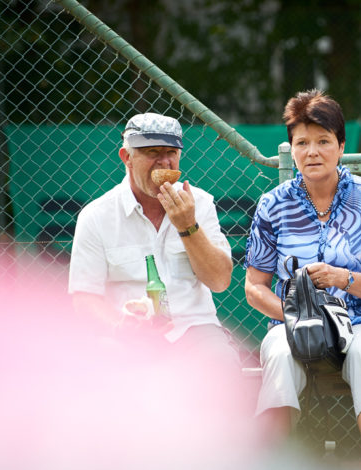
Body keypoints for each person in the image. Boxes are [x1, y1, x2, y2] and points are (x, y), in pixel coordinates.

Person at [244, 89, 361, 469]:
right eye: (302, 142)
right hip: (291, 325)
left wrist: (340, 277)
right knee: (279, 354)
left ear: (341, 146)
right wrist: (292, 317)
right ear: (292, 149)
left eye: (323, 141)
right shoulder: (272, 204)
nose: (312, 152)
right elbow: (254, 287)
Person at [68, 112, 238, 365]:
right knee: (106, 361)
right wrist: (120, 328)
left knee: (221, 361)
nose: (164, 162)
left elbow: (220, 281)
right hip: (127, 337)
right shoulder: (96, 216)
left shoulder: (199, 203)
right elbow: (84, 298)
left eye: (171, 152)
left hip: (194, 329)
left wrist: (188, 226)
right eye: (152, 152)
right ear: (127, 158)